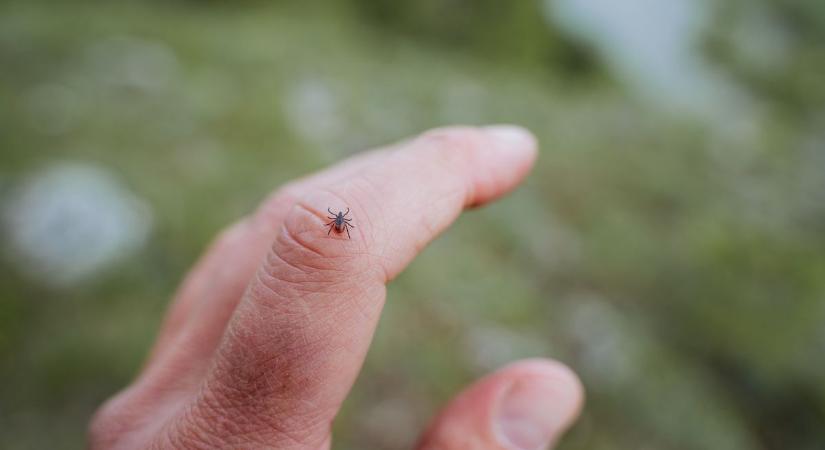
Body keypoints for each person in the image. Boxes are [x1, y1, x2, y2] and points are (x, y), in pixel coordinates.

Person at [89, 126, 584, 450]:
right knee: (330, 236)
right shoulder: (338, 225)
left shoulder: (338, 224)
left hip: (340, 228)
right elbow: (337, 229)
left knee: (330, 235)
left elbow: (337, 229)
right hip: (339, 229)